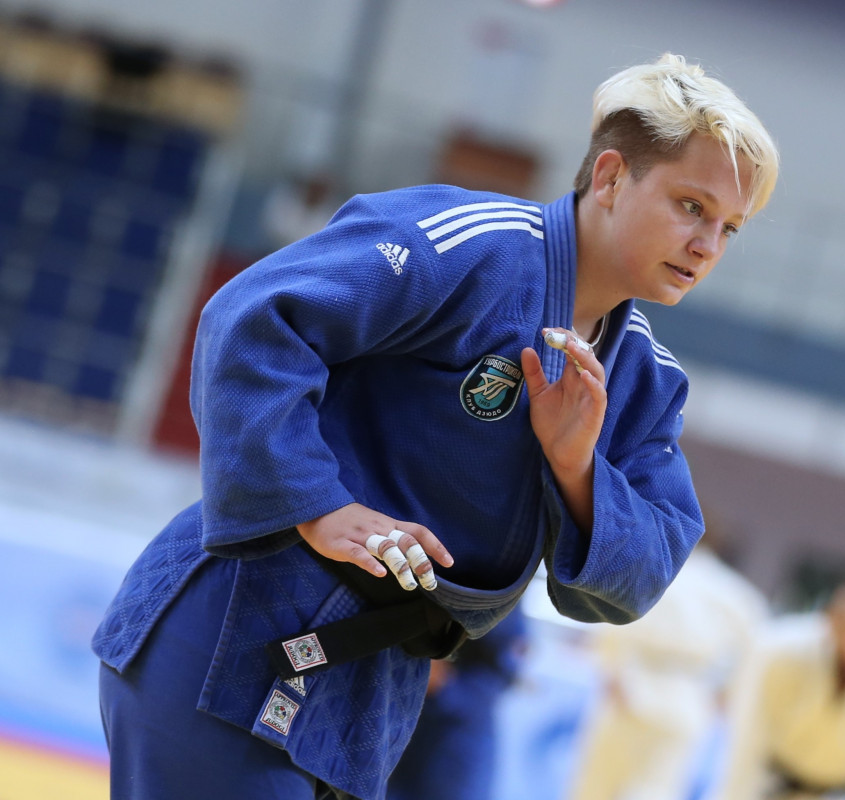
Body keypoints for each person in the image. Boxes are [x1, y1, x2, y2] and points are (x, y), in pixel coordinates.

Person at [90, 52, 780, 800]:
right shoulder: (469, 245)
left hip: (368, 700)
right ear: (612, 177)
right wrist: (317, 503)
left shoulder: (644, 380)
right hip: (241, 632)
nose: (708, 245)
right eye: (691, 206)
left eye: (730, 228)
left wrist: (577, 466)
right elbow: (255, 319)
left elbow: (644, 571)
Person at [565, 533, 770, 800]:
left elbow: (612, 618)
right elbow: (757, 646)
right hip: (687, 699)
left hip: (630, 688)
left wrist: (610, 669)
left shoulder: (655, 569)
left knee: (599, 784)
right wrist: (728, 693)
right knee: (657, 788)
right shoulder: (733, 591)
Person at [707, 580, 845, 800]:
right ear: (829, 617)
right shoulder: (779, 652)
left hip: (839, 790)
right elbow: (749, 737)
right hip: (767, 783)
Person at [387, 608, 529, 800]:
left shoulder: (504, 608)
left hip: (458, 735)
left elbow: (500, 677)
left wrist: (445, 686)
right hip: (409, 720)